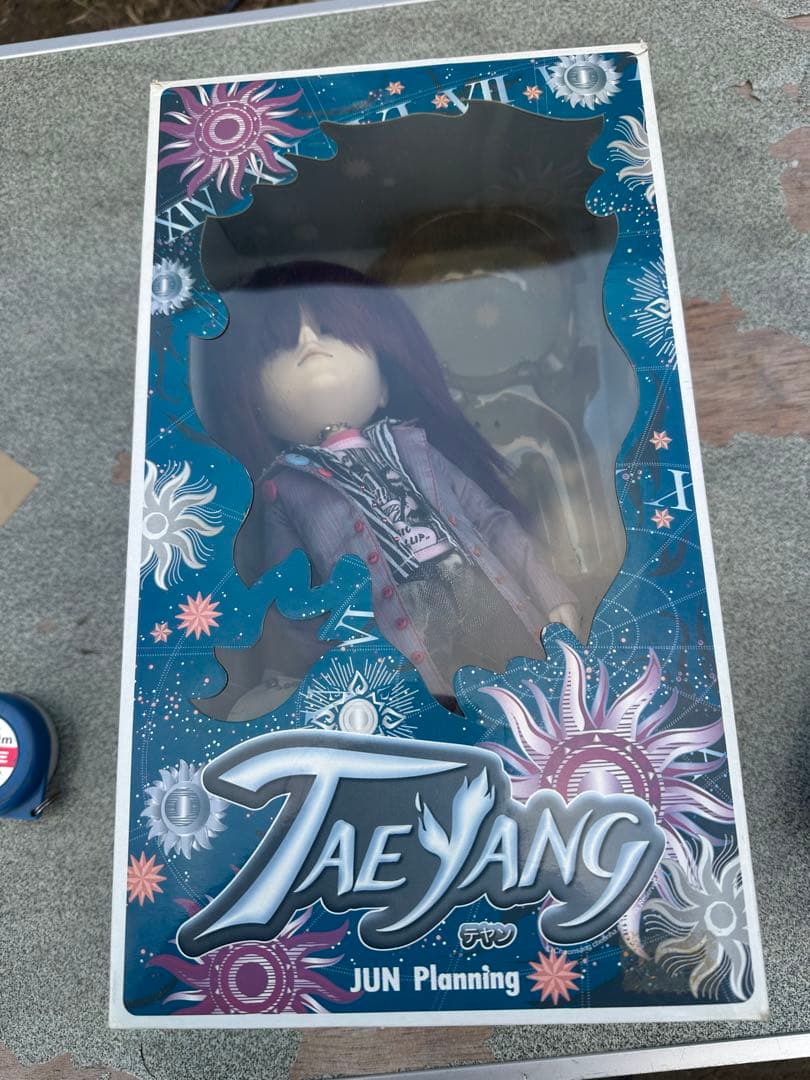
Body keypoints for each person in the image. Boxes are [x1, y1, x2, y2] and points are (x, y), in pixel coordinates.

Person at [192, 260, 578, 716]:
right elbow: (293, 601)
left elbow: (491, 522)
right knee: (449, 712)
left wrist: (551, 593)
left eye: (331, 330)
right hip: (402, 629)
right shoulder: (288, 489)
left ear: (383, 388)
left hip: (476, 586)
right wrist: (347, 668)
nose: (310, 343)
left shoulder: (415, 447)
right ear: (253, 406)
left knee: (530, 688)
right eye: (279, 343)